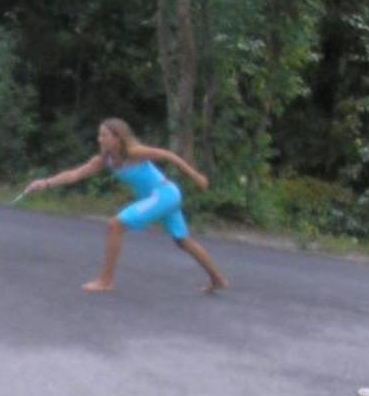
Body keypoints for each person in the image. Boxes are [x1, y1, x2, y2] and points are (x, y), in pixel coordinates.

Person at [25, 118, 229, 293]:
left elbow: (169, 155)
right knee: (182, 241)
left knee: (115, 225)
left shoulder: (134, 152)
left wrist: (196, 176)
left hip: (164, 194)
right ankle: (218, 279)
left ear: (117, 137)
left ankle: (105, 282)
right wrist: (44, 183)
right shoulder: (105, 160)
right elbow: (75, 174)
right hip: (163, 197)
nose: (100, 139)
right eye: (99, 135)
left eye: (104, 135)